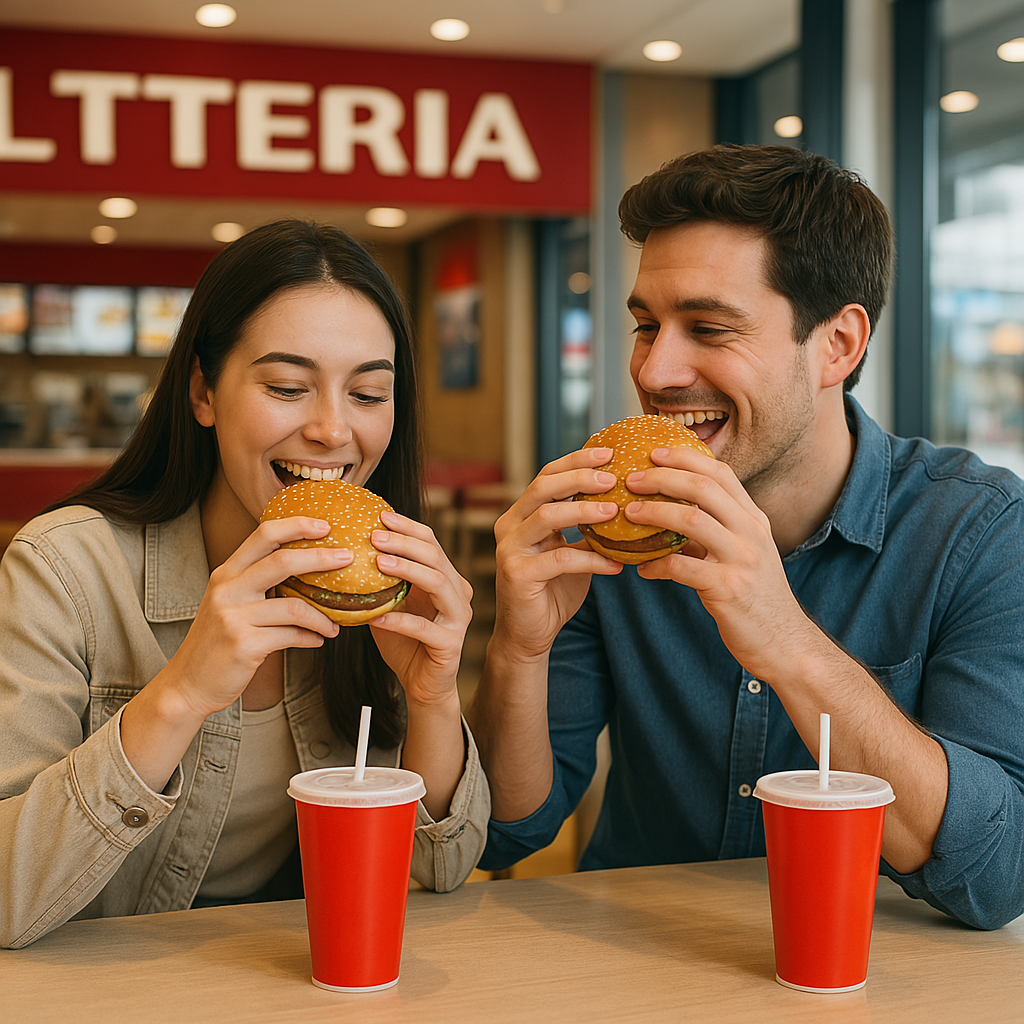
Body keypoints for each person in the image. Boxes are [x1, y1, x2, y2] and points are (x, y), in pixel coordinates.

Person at [468, 145, 1024, 930]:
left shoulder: (978, 529)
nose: (656, 371)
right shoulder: (606, 522)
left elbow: (996, 874)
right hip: (635, 962)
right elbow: (504, 831)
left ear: (838, 344)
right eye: (646, 326)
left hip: (876, 974)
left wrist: (787, 640)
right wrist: (516, 652)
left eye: (709, 328)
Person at [0, 220, 489, 949]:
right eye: (288, 386)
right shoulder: (65, 570)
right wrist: (183, 692)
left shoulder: (377, 583)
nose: (331, 429)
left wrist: (432, 697)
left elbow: (439, 870)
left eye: (368, 392)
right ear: (203, 392)